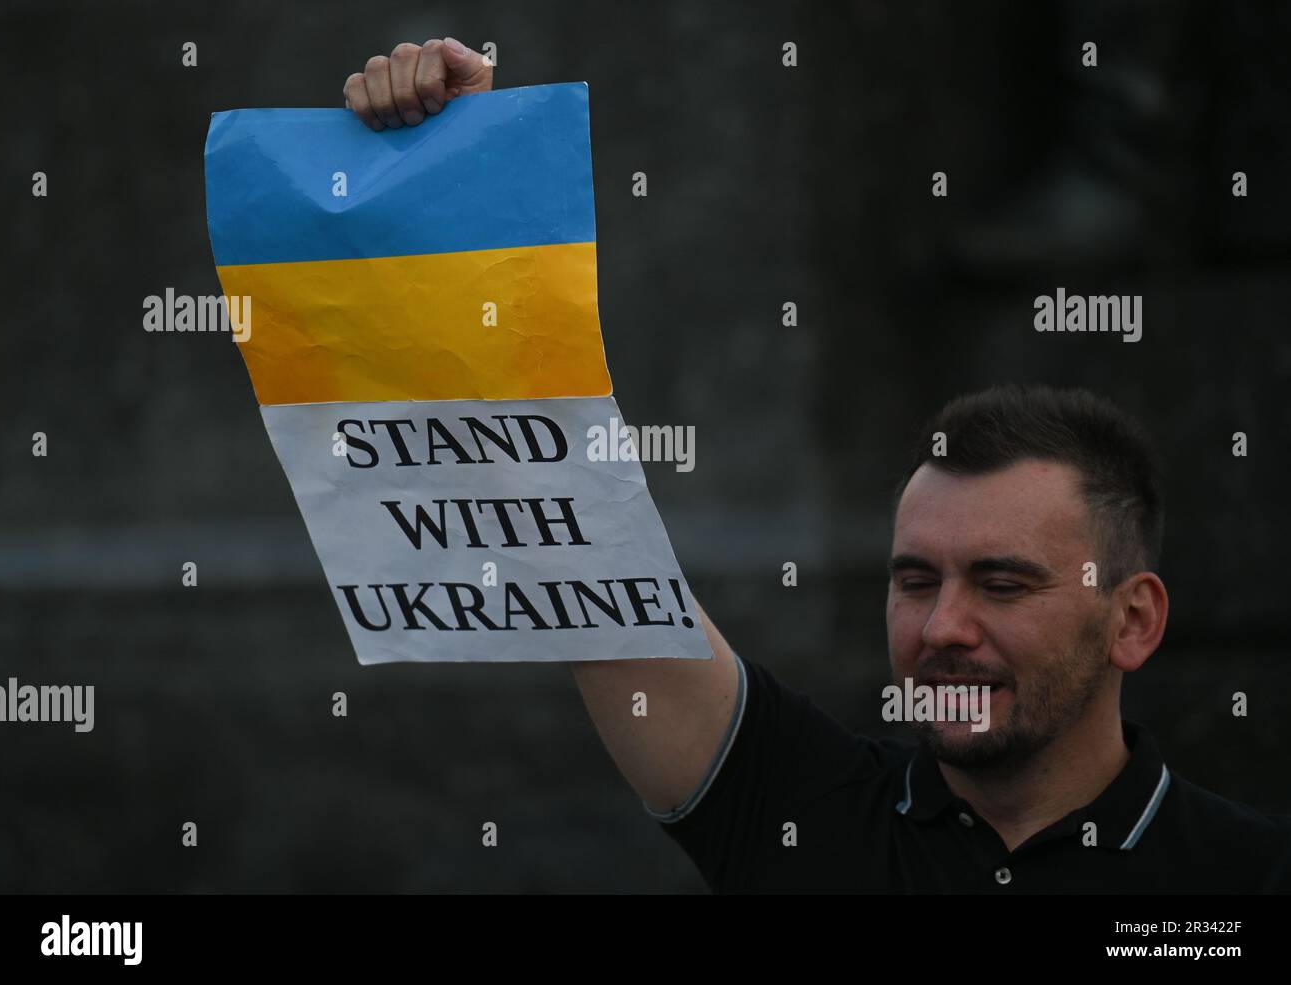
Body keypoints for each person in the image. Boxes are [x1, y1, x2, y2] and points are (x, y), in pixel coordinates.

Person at [341, 41, 1291, 892]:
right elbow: (580, 535)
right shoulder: (796, 809)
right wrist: (470, 178)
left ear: (1134, 619)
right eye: (914, 579)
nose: (942, 627)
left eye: (1003, 583)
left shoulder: (1245, 877)